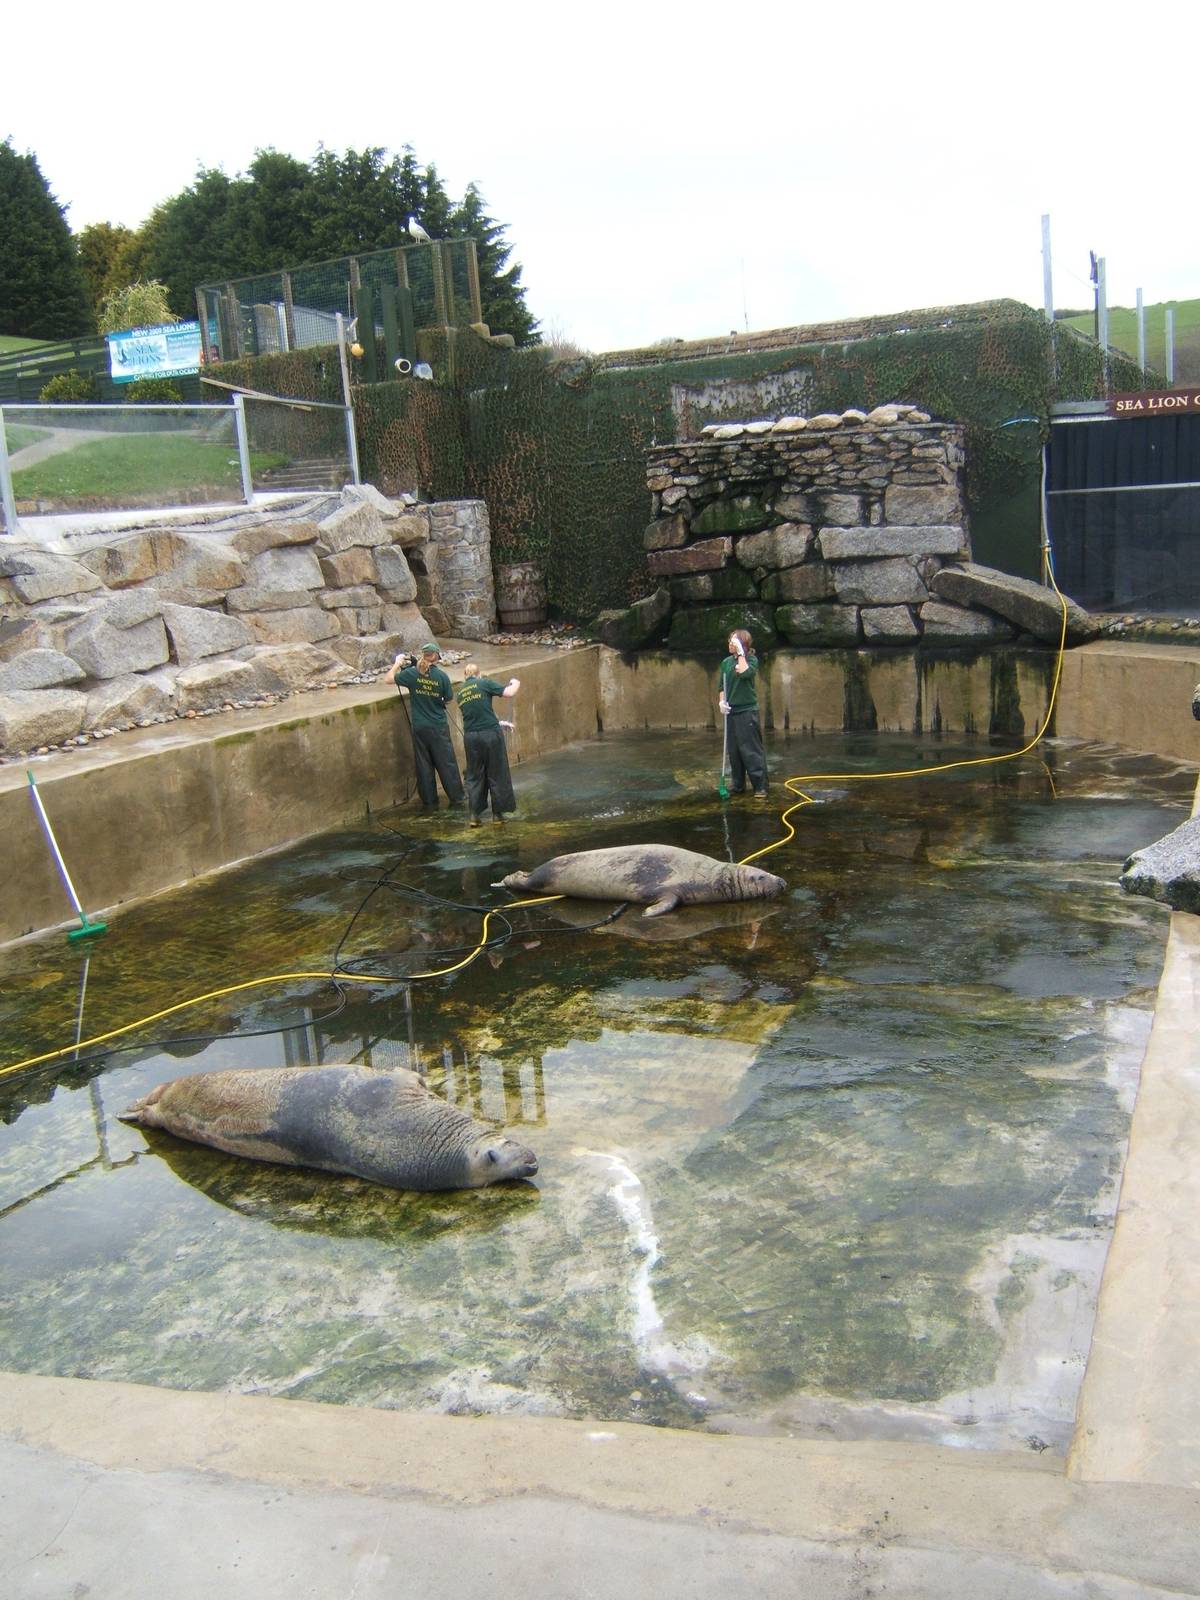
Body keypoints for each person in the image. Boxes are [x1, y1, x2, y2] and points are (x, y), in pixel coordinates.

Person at [390, 641, 465, 812]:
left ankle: (429, 802)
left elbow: (388, 679)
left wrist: (397, 664)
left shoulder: (411, 673)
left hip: (419, 727)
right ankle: (457, 798)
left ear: (423, 655)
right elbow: (448, 699)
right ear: (437, 656)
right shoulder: (442, 677)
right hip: (438, 727)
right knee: (446, 764)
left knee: (424, 765)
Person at [457, 663, 520, 826]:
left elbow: (479, 715)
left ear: (465, 676)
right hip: (491, 735)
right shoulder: (484, 683)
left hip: (471, 737)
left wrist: (500, 723)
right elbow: (509, 692)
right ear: (479, 674)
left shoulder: (461, 692)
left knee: (475, 775)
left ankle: (474, 816)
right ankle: (497, 815)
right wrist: (515, 682)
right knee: (497, 772)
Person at [717, 627, 768, 798]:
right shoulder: (726, 663)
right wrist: (722, 702)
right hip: (731, 711)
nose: (729, 643)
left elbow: (746, 673)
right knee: (734, 751)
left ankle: (760, 786)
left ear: (742, 643)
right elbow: (721, 686)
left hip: (747, 711)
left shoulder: (751, 659)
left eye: (733, 641)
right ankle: (738, 785)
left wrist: (741, 654)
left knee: (751, 750)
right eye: (729, 640)